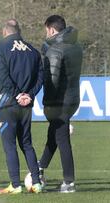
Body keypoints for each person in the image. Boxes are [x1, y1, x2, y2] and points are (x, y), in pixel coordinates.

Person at [0, 19, 44, 194]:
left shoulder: (2, 48)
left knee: (10, 145)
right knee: (27, 143)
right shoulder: (33, 51)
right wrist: (29, 95)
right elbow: (40, 77)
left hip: (8, 103)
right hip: (26, 105)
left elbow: (3, 75)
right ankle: (37, 183)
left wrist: (17, 94)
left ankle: (15, 185)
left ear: (4, 32)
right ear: (19, 32)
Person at [38, 15, 83, 193]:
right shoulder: (76, 46)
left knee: (62, 139)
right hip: (72, 99)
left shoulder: (55, 49)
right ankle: (40, 168)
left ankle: (69, 182)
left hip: (59, 102)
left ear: (51, 29)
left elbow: (52, 81)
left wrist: (47, 102)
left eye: (46, 30)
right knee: (54, 135)